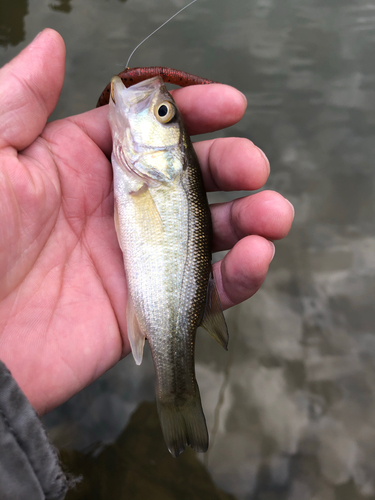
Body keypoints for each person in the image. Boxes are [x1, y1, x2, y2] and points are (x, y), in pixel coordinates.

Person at [0, 29, 294, 498]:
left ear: (169, 154)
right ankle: (179, 405)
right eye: (164, 111)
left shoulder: (148, 172)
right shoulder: (141, 168)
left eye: (161, 113)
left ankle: (176, 391)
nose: (157, 105)